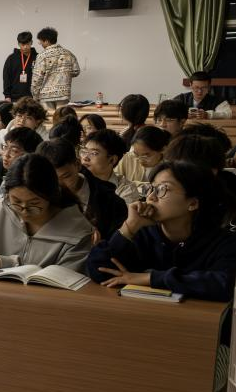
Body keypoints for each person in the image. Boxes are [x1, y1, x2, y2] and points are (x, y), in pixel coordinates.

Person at [87, 161, 236, 301]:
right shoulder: (141, 232)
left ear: (192, 203)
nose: (151, 197)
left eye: (163, 189)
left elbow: (224, 284)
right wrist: (129, 227)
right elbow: (99, 270)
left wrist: (149, 278)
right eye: (151, 188)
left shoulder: (223, 242)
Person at [0, 154, 93, 271]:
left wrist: (6, 263)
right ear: (7, 194)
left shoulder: (77, 232)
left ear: (52, 196)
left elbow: (65, 279)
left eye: (34, 203)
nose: (24, 210)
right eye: (16, 201)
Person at [38, 139, 127, 241]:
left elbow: (118, 244)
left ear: (77, 164)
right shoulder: (38, 198)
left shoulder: (110, 202)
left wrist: (100, 245)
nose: (59, 185)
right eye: (51, 180)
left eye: (65, 176)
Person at [80, 128, 136, 204]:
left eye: (94, 153)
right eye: (84, 151)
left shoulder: (126, 190)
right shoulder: (76, 180)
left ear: (112, 160)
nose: (85, 158)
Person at [30, 27, 80, 109]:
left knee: (49, 116)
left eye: (41, 41)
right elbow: (76, 71)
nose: (40, 43)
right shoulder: (68, 54)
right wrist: (64, 74)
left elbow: (37, 78)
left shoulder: (42, 56)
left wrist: (35, 95)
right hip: (64, 94)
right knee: (62, 116)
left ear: (46, 41)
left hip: (46, 95)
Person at [125, 125, 170, 196]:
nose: (140, 161)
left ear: (163, 150)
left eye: (146, 156)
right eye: (136, 155)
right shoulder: (128, 159)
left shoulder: (170, 169)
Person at [2, 31, 37, 103]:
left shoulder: (38, 57)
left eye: (27, 44)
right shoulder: (11, 58)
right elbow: (6, 77)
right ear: (18, 44)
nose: (25, 47)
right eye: (22, 44)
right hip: (15, 98)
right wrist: (7, 96)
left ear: (31, 42)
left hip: (33, 98)